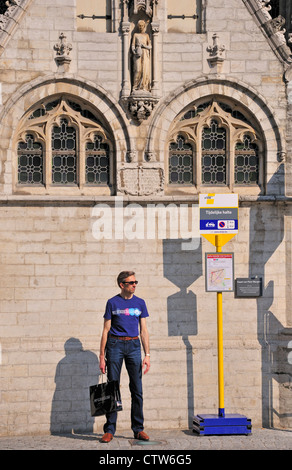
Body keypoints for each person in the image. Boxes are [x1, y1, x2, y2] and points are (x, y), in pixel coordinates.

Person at [99, 271, 150, 443]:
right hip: (115, 346)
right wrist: (101, 356)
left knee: (137, 388)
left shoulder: (140, 303)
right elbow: (105, 330)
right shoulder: (112, 303)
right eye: (131, 282)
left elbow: (143, 331)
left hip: (134, 346)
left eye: (136, 282)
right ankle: (110, 429)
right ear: (122, 285)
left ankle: (138, 429)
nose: (135, 285)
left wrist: (147, 354)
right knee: (112, 388)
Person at [131, 19, 152, 93]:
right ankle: (135, 87)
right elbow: (133, 45)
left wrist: (144, 46)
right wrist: (134, 51)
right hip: (138, 54)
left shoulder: (146, 35)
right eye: (139, 26)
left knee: (145, 70)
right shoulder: (135, 35)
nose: (140, 27)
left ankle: (144, 87)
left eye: (142, 26)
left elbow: (150, 46)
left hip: (145, 54)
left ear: (144, 26)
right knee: (138, 70)